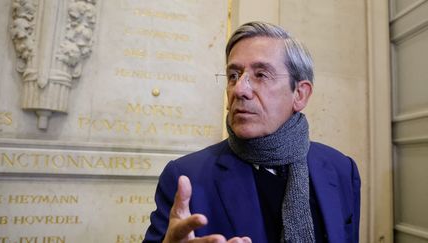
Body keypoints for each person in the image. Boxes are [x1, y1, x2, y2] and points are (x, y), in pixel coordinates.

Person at [143, 21, 361, 243]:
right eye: (233, 76)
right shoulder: (185, 176)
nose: (240, 89)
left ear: (300, 94)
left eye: (261, 75)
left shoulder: (341, 169)